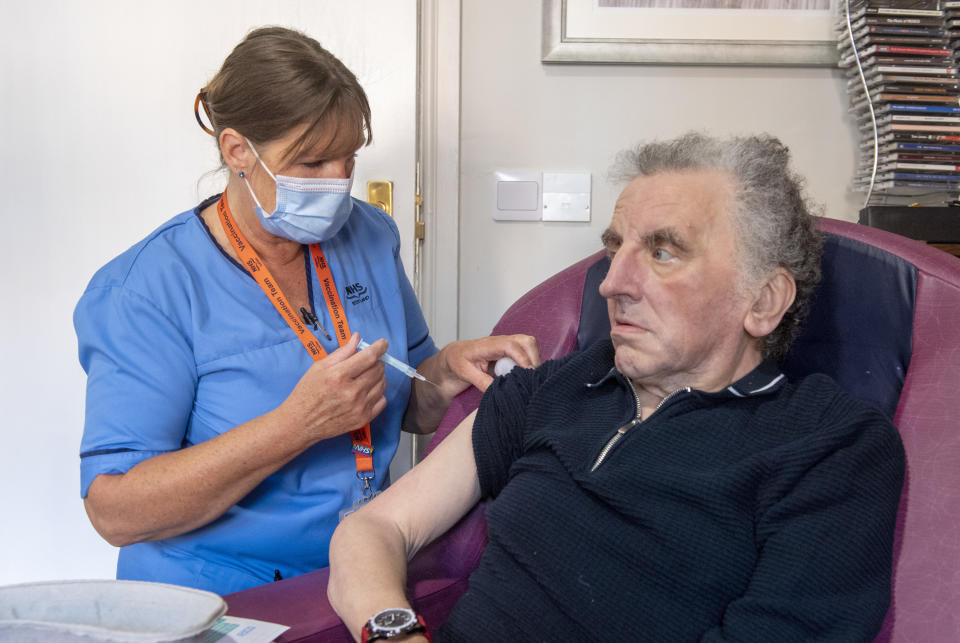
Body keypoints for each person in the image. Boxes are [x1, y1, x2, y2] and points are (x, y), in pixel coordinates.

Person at [327, 132, 906, 642]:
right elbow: (376, 528)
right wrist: (392, 633)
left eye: (662, 251)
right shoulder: (553, 386)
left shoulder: (831, 448)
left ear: (763, 300)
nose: (613, 282)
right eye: (614, 248)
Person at [73, 26, 538, 596]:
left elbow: (409, 404)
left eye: (349, 160)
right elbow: (116, 512)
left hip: (362, 572)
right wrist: (295, 426)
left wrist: (445, 373)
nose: (339, 184)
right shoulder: (145, 290)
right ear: (237, 150)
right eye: (312, 162)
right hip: (213, 594)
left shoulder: (369, 235)